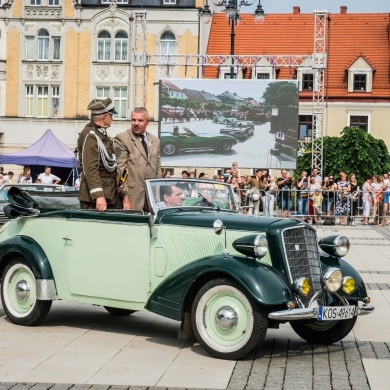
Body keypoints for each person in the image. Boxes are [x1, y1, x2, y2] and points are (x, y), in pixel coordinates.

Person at [115, 106, 161, 211]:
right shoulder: (122, 138)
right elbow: (120, 170)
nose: (136, 123)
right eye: (133, 120)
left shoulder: (155, 141)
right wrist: (125, 196)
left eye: (140, 120)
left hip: (151, 198)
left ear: (147, 122)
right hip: (132, 197)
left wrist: (157, 197)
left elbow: (158, 170)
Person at [77, 98, 118, 211]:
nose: (112, 118)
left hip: (108, 193)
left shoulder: (100, 134)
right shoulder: (90, 135)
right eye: (111, 115)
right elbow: (90, 168)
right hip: (94, 199)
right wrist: (99, 195)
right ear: (104, 116)